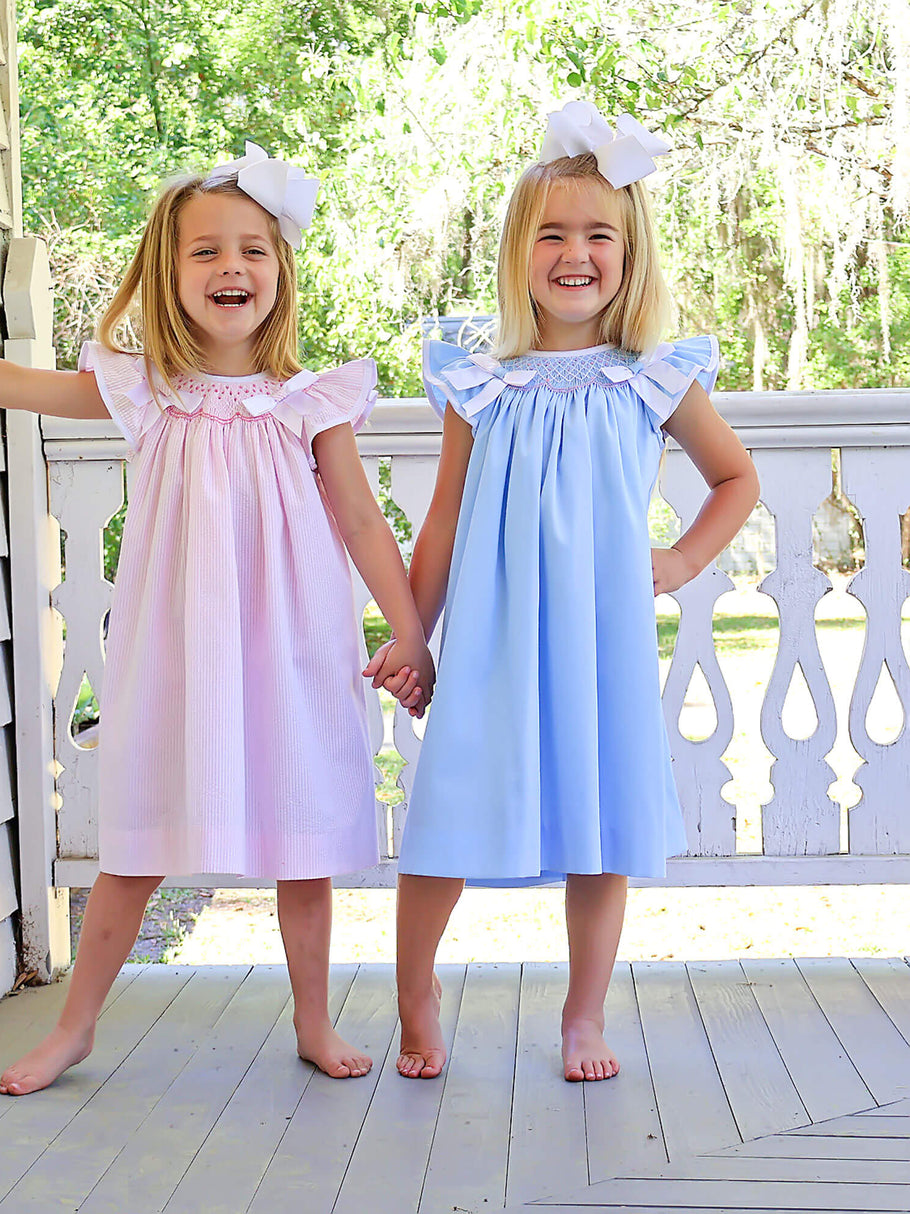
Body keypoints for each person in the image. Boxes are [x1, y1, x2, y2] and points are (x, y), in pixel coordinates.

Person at [0, 142, 434, 1095]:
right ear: (168, 272)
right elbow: (16, 388)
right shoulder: (147, 391)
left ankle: (314, 1019)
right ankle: (76, 1026)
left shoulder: (308, 401)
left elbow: (365, 521)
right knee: (140, 840)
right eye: (204, 252)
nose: (230, 268)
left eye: (253, 249)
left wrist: (406, 631)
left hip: (293, 642)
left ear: (282, 271)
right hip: (178, 647)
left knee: (303, 843)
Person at [368, 102, 759, 1084]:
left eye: (598, 235)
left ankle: (582, 1015)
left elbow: (734, 479)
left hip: (599, 636)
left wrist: (675, 563)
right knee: (446, 806)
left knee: (599, 818)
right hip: (492, 637)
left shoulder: (649, 377)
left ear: (629, 255)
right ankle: (416, 995)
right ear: (517, 250)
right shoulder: (479, 377)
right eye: (551, 232)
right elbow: (444, 520)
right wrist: (411, 635)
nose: (574, 252)